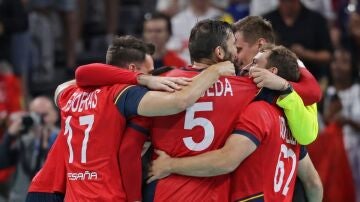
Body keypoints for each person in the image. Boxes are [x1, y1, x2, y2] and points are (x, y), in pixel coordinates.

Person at [75, 20, 320, 201]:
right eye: (233, 47)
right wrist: (289, 79)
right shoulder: (247, 89)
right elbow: (308, 93)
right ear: (220, 53)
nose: (237, 55)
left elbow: (129, 147)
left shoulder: (164, 82)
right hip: (212, 193)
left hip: (162, 191)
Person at [26, 35, 235, 201]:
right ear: (133, 69)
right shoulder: (122, 95)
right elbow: (180, 101)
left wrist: (138, 77)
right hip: (99, 194)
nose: (154, 77)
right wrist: (215, 71)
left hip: (55, 187)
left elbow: (82, 74)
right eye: (150, 71)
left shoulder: (70, 93)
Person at [148, 45, 323, 202]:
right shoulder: (292, 123)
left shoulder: (259, 111)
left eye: (255, 63)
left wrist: (169, 165)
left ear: (272, 72)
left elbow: (226, 160)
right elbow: (313, 182)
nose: (245, 67)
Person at [232, 16, 321, 144]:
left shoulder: (287, 61)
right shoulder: (237, 68)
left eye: (239, 49)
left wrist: (281, 85)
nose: (234, 56)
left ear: (260, 44)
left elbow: (314, 93)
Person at [263, 0, 333, 81]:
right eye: (284, 1)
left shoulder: (316, 20)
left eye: (292, 1)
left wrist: (306, 54)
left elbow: (328, 55)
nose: (288, 4)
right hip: (274, 79)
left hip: (310, 78)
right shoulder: (267, 21)